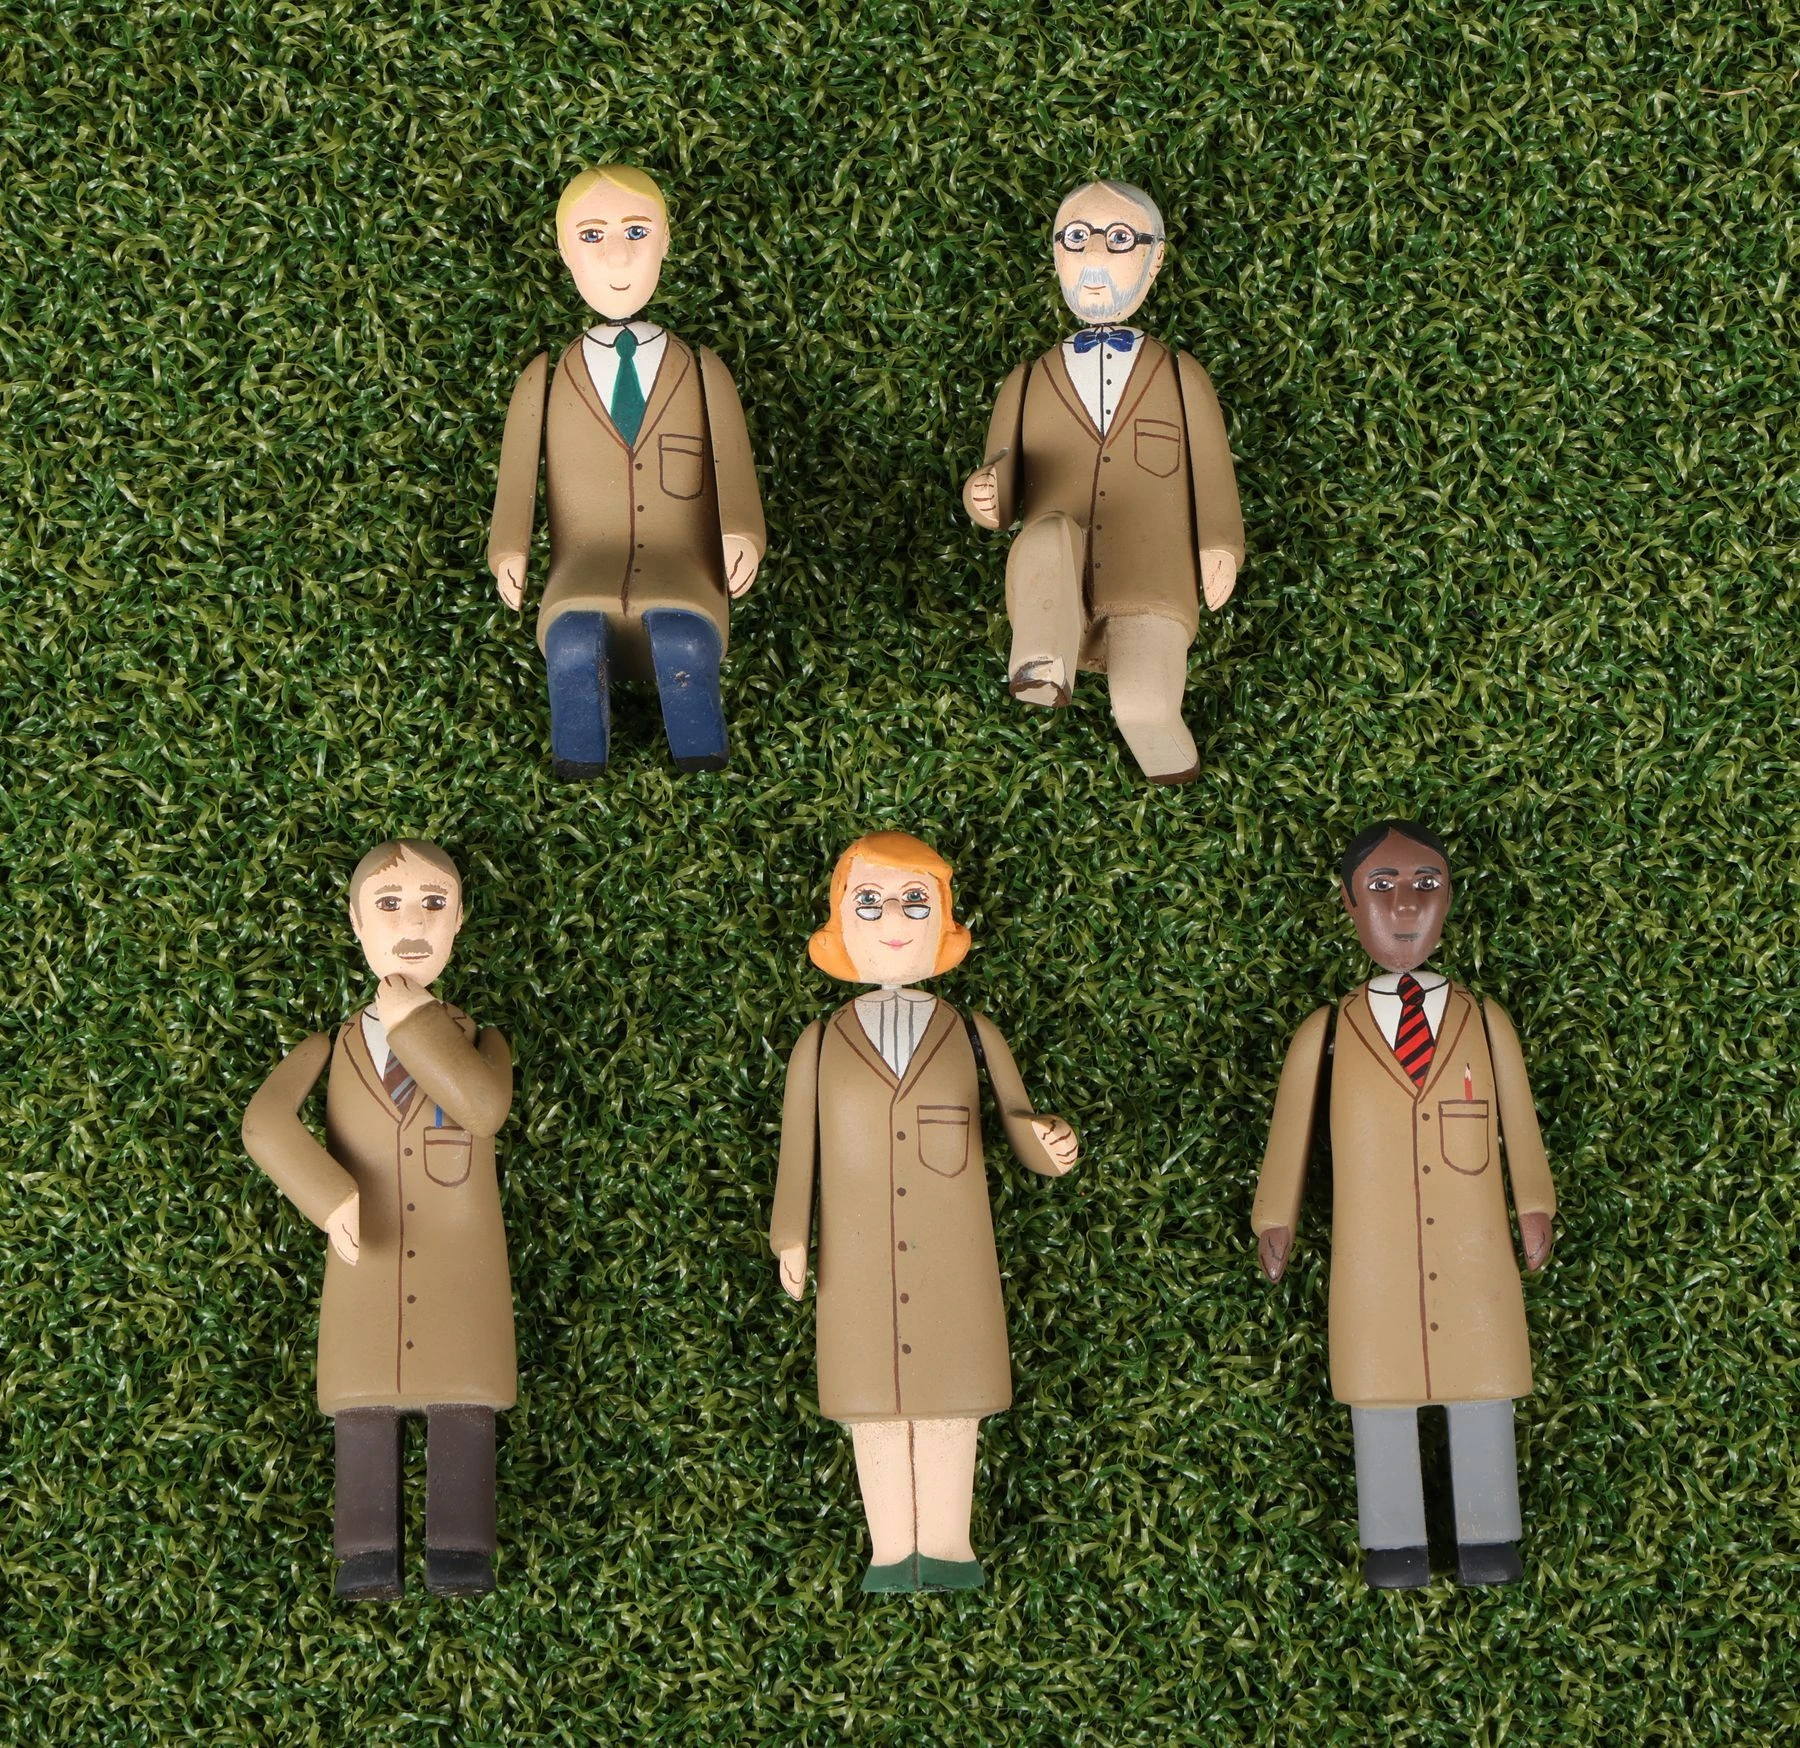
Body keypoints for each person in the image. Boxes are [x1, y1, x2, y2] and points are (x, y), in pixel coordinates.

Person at [770, 832, 1079, 1591]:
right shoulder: (821, 1041)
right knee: (871, 1403)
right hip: (857, 1257)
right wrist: (790, 1236)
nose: (892, 920)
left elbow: (1017, 1119)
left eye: (915, 902)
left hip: (952, 1252)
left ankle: (945, 1543)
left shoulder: (971, 1033)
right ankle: (888, 1549)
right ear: (838, 921)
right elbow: (798, 1148)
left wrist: (1049, 1144)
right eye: (868, 902)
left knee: (951, 1400)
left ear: (944, 921)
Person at [1252, 820, 1556, 1587]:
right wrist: (1274, 1216)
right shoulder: (1326, 1030)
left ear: (1449, 900)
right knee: (1379, 1392)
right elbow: (1290, 1133)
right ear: (1350, 906)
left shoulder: (1485, 1022)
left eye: (1426, 884)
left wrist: (1534, 1203)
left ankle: (1490, 1534)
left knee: (1483, 1384)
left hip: (1473, 1250)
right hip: (1374, 1256)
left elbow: (1519, 1122)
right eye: (1381, 887)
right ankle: (1395, 1541)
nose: (1405, 906)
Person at [242, 840, 515, 1599]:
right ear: (356, 923)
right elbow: (265, 1121)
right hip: (367, 1256)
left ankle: (461, 1548)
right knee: (362, 1405)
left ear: (459, 921)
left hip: (462, 1263)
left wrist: (414, 1022)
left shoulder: (483, 1043)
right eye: (388, 904)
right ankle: (365, 1552)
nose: (413, 924)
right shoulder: (326, 1048)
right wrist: (328, 1197)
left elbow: (482, 1108)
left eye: (434, 904)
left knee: (464, 1400)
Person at [962, 179, 1244, 783]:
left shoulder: (1179, 374)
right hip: (1054, 580)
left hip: (1151, 574)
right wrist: (984, 494)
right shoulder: (1027, 379)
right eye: (1076, 238)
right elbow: (1000, 475)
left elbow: (1212, 465)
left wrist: (1220, 543)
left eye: (1117, 239)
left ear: (1154, 258)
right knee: (1047, 533)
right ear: (1056, 254)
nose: (1093, 255)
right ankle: (1043, 660)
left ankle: (1170, 762)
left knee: (1143, 704)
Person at [489, 164, 766, 775]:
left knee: (684, 640)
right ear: (565, 251)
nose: (617, 258)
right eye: (591, 236)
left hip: (685, 569)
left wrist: (742, 534)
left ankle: (699, 750)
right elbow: (517, 476)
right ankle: (579, 756)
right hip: (581, 568)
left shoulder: (701, 370)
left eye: (636, 232)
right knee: (571, 643)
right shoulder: (545, 377)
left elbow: (734, 463)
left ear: (666, 241)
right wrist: (509, 549)